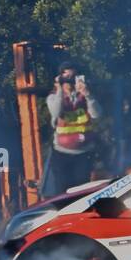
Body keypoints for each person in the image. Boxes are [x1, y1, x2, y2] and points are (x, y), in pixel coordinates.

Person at [43, 62, 102, 195]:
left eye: (73, 76)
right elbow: (56, 112)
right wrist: (59, 90)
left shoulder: (85, 96)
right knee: (62, 192)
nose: (69, 80)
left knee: (82, 192)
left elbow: (97, 114)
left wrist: (87, 94)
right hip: (61, 153)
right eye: (66, 76)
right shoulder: (53, 97)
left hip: (84, 152)